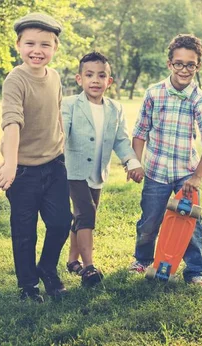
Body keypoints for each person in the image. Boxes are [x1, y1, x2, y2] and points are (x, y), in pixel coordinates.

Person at [128, 34, 202, 288]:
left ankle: (195, 272)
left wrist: (197, 177)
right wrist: (136, 163)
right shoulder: (154, 93)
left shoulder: (198, 99)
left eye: (190, 64)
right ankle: (143, 259)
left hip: (184, 176)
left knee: (190, 226)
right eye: (179, 63)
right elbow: (140, 131)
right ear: (169, 64)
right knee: (149, 222)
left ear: (197, 66)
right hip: (156, 172)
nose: (184, 69)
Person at [0, 13, 72, 302]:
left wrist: (65, 151)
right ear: (18, 45)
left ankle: (47, 268)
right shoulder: (15, 80)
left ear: (55, 48)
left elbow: (58, 116)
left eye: (45, 44)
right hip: (23, 172)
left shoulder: (55, 77)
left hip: (54, 166)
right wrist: (11, 164)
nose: (37, 50)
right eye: (30, 43)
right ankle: (28, 285)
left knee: (62, 222)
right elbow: (11, 122)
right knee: (24, 232)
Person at [62, 52, 144, 287]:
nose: (95, 80)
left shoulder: (115, 109)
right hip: (73, 171)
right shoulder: (70, 104)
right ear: (79, 79)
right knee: (86, 213)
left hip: (97, 173)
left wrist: (133, 163)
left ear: (109, 81)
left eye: (101, 75)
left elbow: (120, 140)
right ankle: (88, 268)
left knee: (81, 217)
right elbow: (62, 133)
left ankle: (71, 260)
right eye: (89, 75)